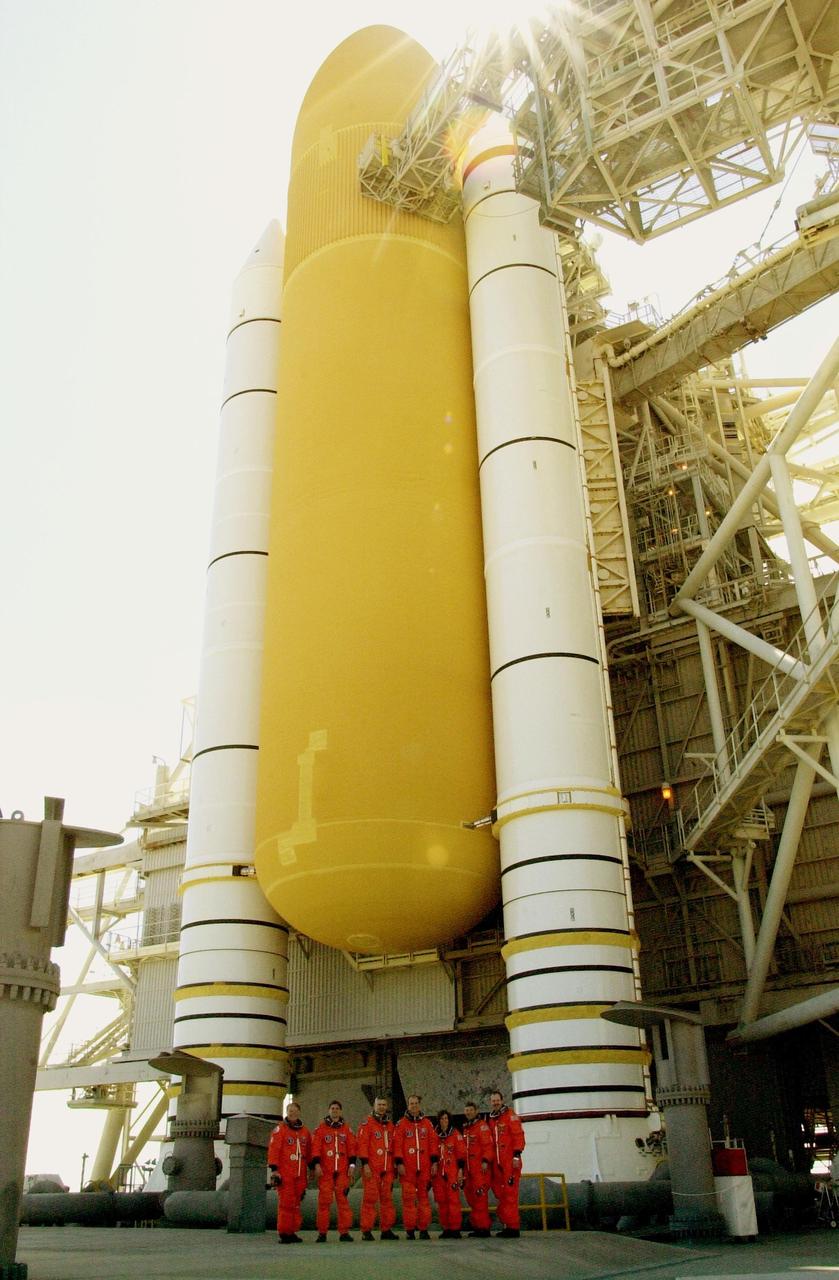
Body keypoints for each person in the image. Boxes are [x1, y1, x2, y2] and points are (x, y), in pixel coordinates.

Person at [393, 1093, 439, 1239]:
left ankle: (424, 1228)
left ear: (419, 1105)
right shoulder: (401, 1124)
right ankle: (410, 1230)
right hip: (408, 1168)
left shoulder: (427, 1124)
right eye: (411, 1103)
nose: (413, 1106)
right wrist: (399, 1163)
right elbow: (397, 1145)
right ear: (408, 1105)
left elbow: (433, 1144)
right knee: (408, 1200)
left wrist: (434, 1162)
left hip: (424, 1168)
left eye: (416, 1103)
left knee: (424, 1199)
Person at [310, 1099, 357, 1242]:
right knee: (324, 1202)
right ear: (328, 1111)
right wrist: (316, 1165)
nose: (335, 1110)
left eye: (337, 1108)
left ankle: (344, 1232)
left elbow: (352, 1149)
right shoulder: (321, 1129)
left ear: (340, 1111)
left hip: (342, 1171)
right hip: (326, 1171)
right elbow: (315, 1148)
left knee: (343, 1202)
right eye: (332, 1108)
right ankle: (322, 1233)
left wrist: (352, 1166)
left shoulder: (347, 1129)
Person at [267, 1100, 311, 1244]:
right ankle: (284, 1232)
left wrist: (312, 1167)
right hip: (285, 1173)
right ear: (287, 1113)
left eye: (294, 1111)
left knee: (296, 1204)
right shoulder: (280, 1130)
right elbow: (274, 1150)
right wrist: (275, 1170)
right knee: (285, 1204)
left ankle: (292, 1231)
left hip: (300, 1174)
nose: (292, 1113)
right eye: (290, 1111)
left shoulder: (305, 1132)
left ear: (299, 1112)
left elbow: (309, 1152)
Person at [356, 1095, 399, 1240]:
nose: (381, 1107)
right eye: (379, 1104)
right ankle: (366, 1230)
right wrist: (365, 1164)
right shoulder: (367, 1123)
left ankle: (386, 1229)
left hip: (387, 1168)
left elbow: (394, 1147)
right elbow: (362, 1145)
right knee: (370, 1199)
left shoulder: (390, 1125)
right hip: (372, 1168)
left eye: (384, 1105)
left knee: (387, 1199)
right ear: (374, 1106)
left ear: (386, 1107)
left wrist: (394, 1165)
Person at [487, 1089, 525, 1238]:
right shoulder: (492, 1119)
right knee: (501, 1194)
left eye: (497, 1100)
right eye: (493, 1100)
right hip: (498, 1164)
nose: (495, 1102)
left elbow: (518, 1135)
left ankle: (513, 1227)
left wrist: (516, 1155)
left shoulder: (510, 1116)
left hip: (510, 1162)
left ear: (502, 1100)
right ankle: (507, 1224)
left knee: (510, 1195)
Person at [432, 1109, 466, 1238]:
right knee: (442, 1201)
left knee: (453, 1201)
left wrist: (460, 1170)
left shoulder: (455, 1134)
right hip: (439, 1174)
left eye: (446, 1118)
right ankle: (446, 1228)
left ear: (449, 1120)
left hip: (452, 1172)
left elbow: (461, 1154)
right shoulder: (434, 1135)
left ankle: (455, 1229)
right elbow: (432, 1152)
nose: (444, 1121)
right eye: (441, 1119)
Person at [462, 1100, 493, 1237]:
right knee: (472, 1198)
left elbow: (488, 1146)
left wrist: (485, 1161)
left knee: (480, 1198)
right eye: (466, 1110)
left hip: (479, 1169)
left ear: (476, 1111)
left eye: (471, 1110)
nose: (468, 1112)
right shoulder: (467, 1129)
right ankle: (477, 1226)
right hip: (469, 1170)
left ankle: (484, 1228)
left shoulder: (482, 1127)